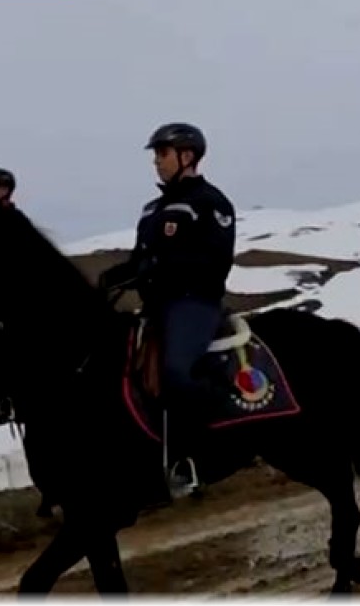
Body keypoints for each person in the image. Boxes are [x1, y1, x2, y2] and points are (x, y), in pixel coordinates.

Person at [98, 123, 236, 497]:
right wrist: (113, 277)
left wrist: (166, 267)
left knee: (175, 372)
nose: (156, 162)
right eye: (156, 155)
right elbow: (142, 258)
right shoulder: (152, 209)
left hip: (194, 303)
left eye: (162, 154)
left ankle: (199, 458)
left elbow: (217, 258)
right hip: (156, 306)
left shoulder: (211, 201)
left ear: (186, 156)